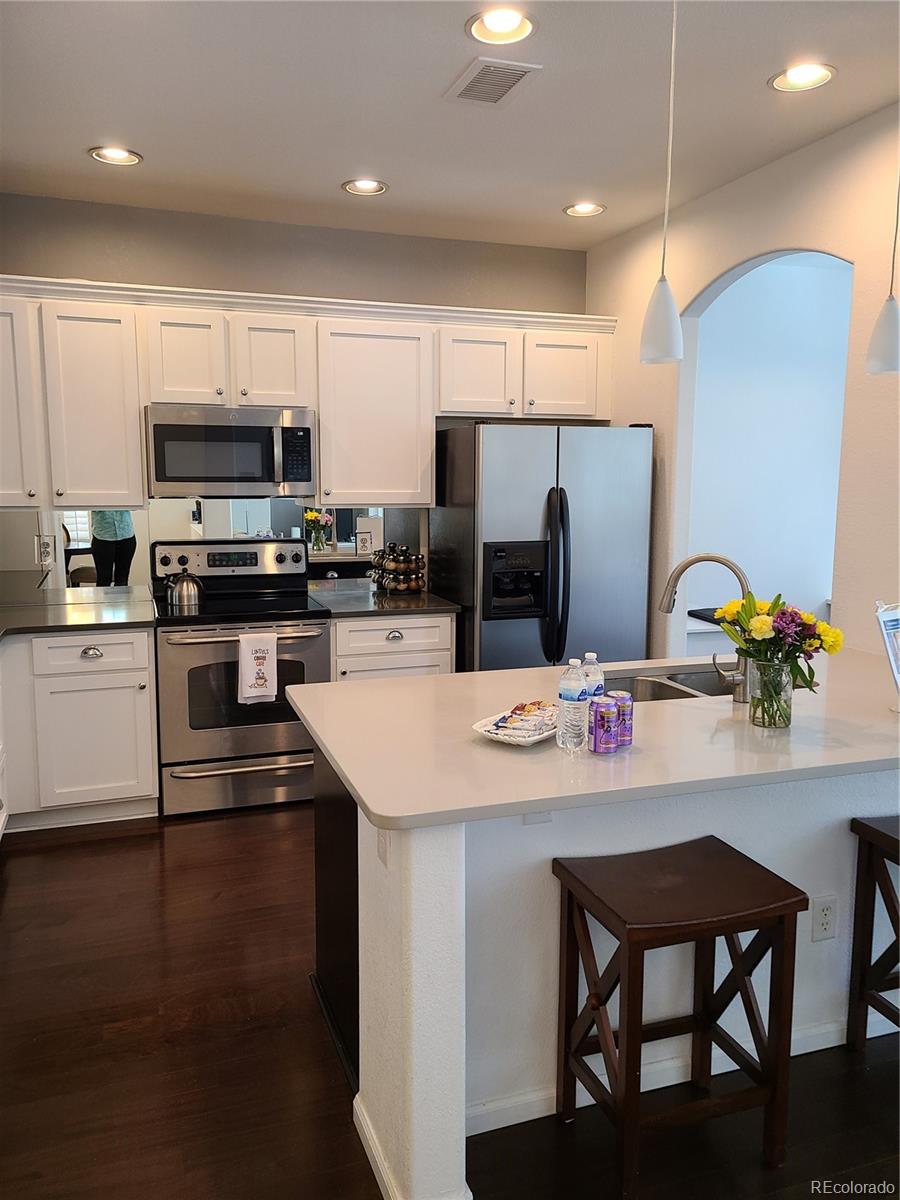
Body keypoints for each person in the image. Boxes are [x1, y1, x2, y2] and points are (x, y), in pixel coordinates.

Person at [90, 510, 137, 587]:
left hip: (126, 535)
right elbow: (91, 504)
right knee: (103, 581)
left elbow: (135, 505)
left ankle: (122, 599)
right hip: (103, 537)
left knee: (122, 581)